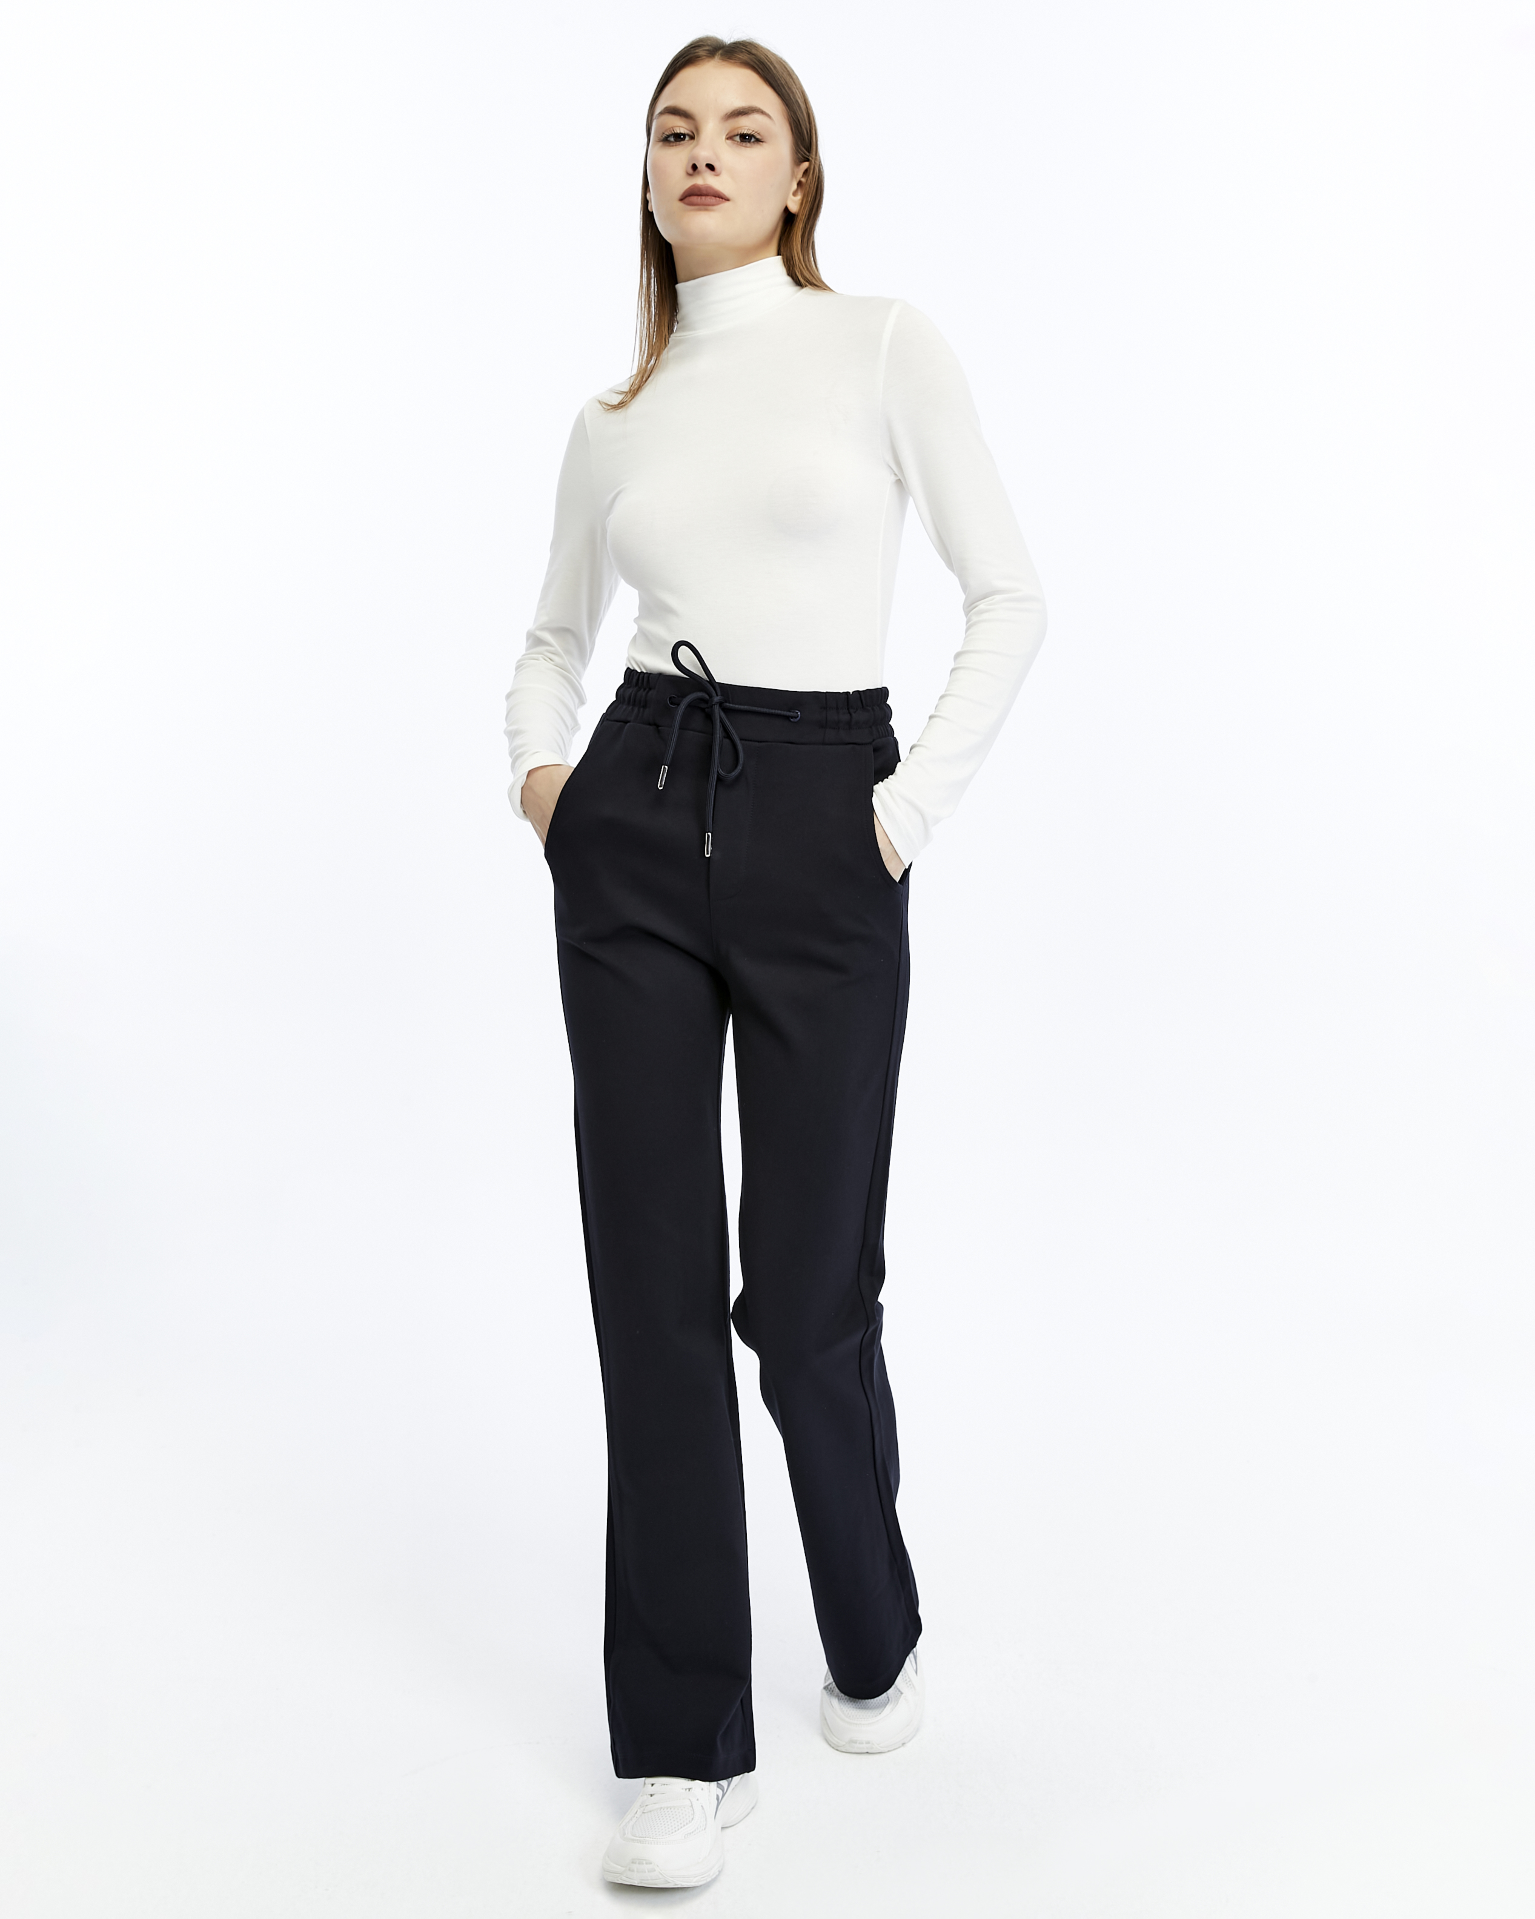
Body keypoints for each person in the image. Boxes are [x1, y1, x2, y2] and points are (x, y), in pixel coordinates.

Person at [504, 34, 1046, 1890]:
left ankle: (868, 1621)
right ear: (647, 177)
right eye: (674, 130)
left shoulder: (880, 344)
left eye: (744, 130)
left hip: (827, 816)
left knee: (807, 1300)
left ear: (798, 176)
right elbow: (550, 633)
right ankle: (679, 1746)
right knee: (650, 1290)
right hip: (637, 816)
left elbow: (1009, 593)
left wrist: (898, 812)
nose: (704, 153)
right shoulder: (615, 416)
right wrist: (548, 780)